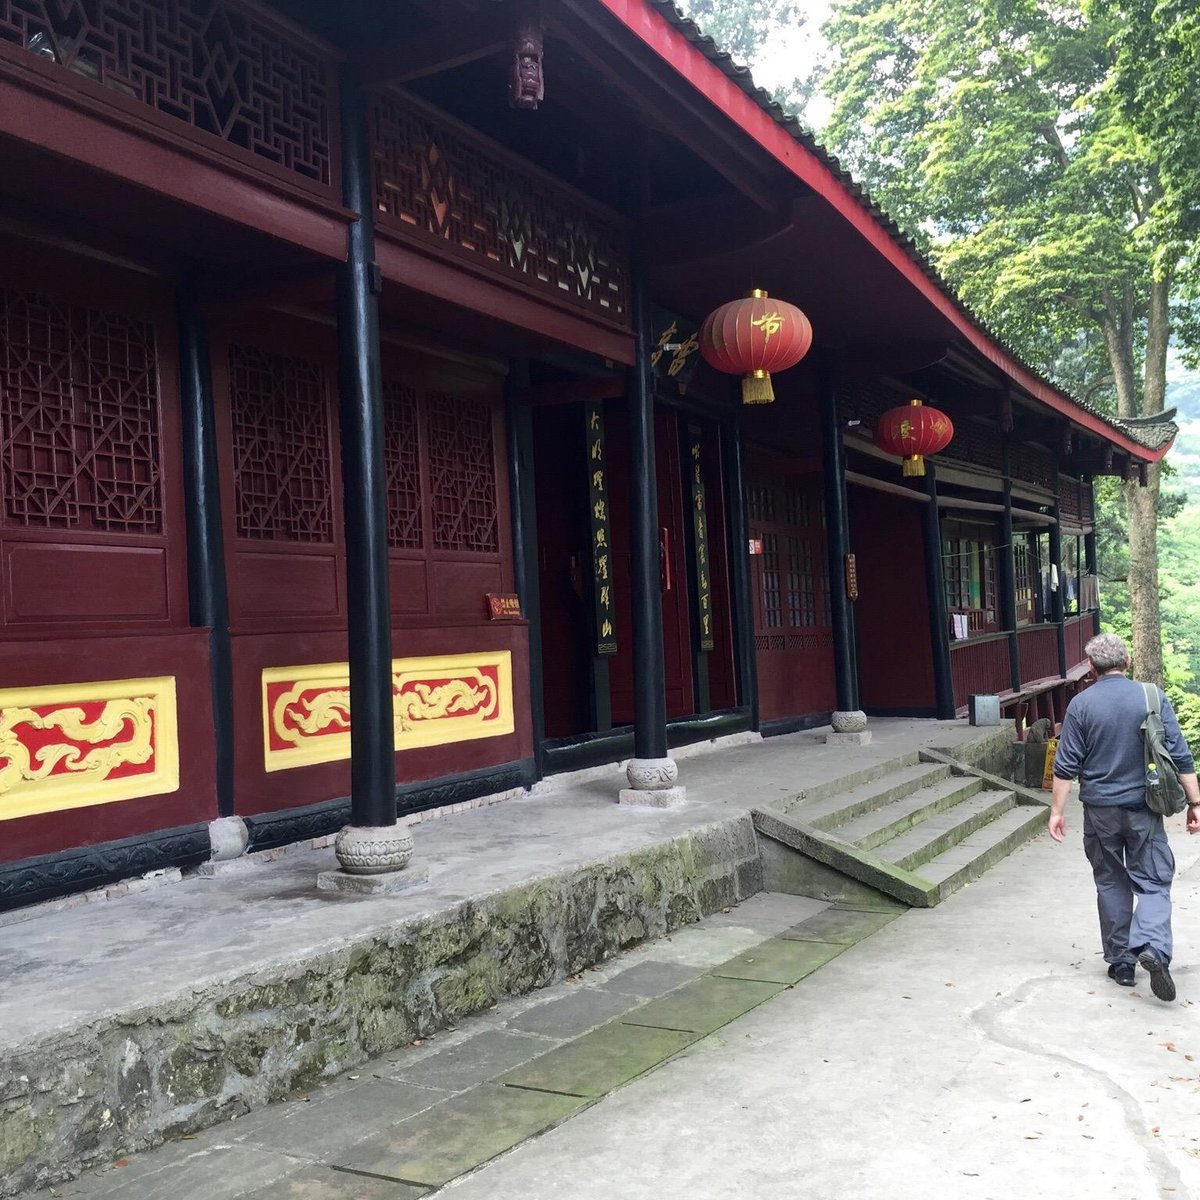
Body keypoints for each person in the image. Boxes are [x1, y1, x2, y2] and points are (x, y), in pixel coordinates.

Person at [1048, 633, 1200, 1002]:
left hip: (1100, 809)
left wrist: (1057, 812)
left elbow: (1065, 766)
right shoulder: (1151, 696)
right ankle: (1154, 946)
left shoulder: (1081, 705)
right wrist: (1195, 803)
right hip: (1144, 808)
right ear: (1127, 662)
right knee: (1154, 880)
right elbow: (1179, 754)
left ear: (1090, 668)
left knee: (1111, 882)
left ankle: (1122, 964)